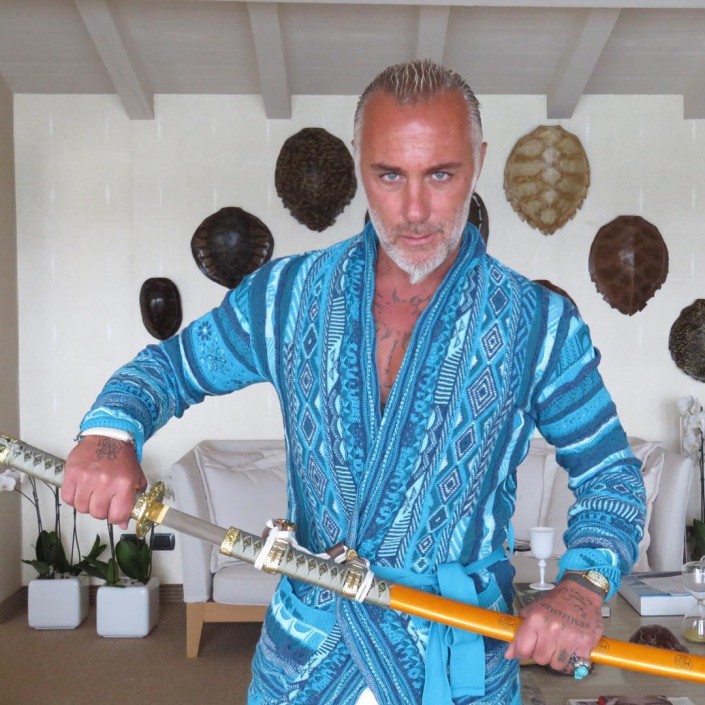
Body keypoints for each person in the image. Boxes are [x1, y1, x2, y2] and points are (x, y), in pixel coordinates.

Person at [62, 60, 646, 705]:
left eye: (442, 174)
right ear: (358, 164)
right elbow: (170, 369)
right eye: (389, 175)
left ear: (478, 162)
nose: (415, 211)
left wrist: (583, 585)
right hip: (306, 659)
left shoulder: (539, 324)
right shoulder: (287, 296)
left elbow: (610, 475)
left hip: (456, 663)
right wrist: (111, 433)